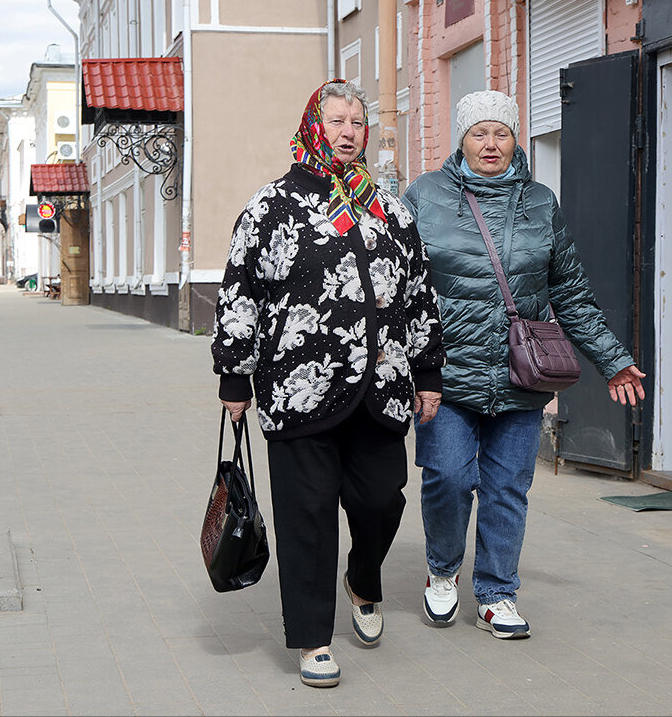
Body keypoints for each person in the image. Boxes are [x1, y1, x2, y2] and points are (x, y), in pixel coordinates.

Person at [212, 79, 445, 688]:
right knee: (307, 514)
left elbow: (418, 293)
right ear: (314, 125)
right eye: (336, 120)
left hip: (383, 387)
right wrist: (234, 376)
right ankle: (313, 637)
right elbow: (240, 291)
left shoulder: (389, 208)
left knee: (381, 499)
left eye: (356, 123)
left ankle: (363, 579)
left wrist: (427, 370)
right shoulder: (273, 205)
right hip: (299, 389)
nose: (347, 132)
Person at [402, 90, 646, 641]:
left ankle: (496, 592)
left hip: (521, 375)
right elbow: (401, 288)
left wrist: (613, 361)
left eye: (502, 133)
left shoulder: (540, 202)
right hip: (446, 377)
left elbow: (572, 293)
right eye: (478, 133)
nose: (491, 144)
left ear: (516, 139)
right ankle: (442, 570)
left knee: (508, 485)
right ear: (461, 139)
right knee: (447, 476)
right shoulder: (425, 196)